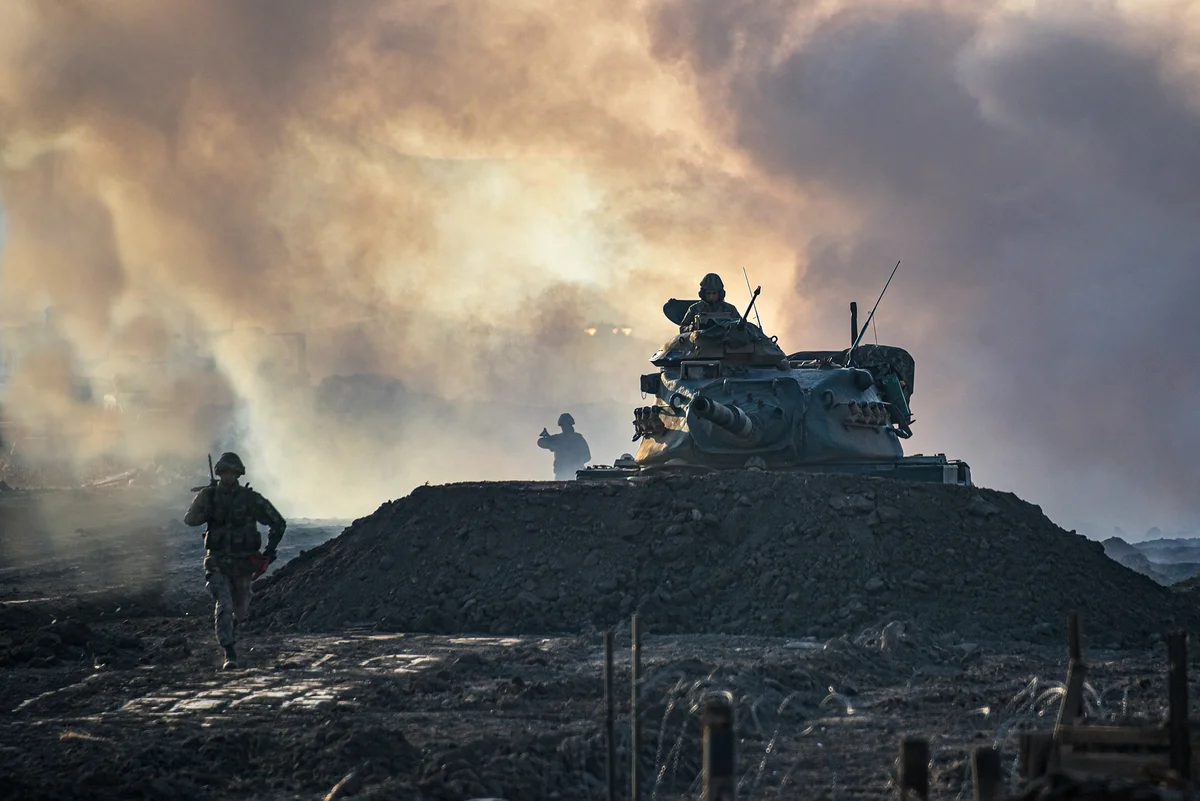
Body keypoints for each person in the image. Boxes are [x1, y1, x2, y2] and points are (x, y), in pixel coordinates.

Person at [184, 451, 286, 669]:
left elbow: (278, 522)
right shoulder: (209, 496)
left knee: (241, 608)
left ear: (239, 473)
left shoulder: (250, 499)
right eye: (225, 472)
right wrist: (205, 504)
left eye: (232, 472)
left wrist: (269, 551)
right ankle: (229, 652)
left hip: (242, 563)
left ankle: (231, 631)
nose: (228, 476)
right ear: (219, 473)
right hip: (218, 561)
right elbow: (190, 520)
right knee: (224, 604)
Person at [537, 413, 592, 480]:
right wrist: (553, 445)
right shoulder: (558, 438)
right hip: (561, 473)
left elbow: (587, 456)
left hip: (575, 473)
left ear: (570, 425)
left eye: (566, 425)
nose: (564, 428)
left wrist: (576, 461)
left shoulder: (578, 438)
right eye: (563, 426)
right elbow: (540, 442)